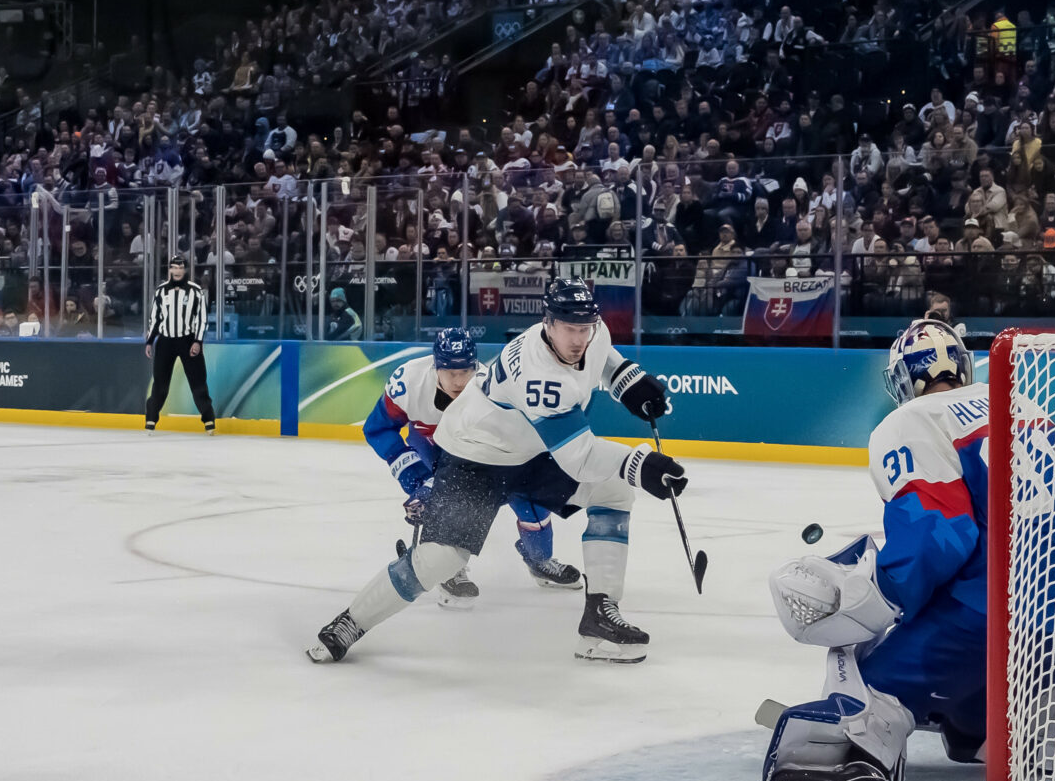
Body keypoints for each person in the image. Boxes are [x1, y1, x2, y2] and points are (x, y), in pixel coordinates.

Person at [754, 317, 1055, 781]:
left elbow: (937, 534)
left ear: (903, 379)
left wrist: (882, 593)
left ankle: (844, 759)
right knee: (972, 714)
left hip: (991, 614)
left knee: (873, 683)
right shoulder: (1021, 406)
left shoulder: (911, 421)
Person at [308, 280, 681, 665]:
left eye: (584, 328)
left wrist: (628, 381)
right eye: (569, 328)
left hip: (529, 450)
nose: (578, 339)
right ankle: (351, 622)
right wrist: (641, 465)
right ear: (548, 323)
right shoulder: (540, 377)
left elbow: (602, 356)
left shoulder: (591, 333)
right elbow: (579, 457)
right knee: (442, 559)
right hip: (474, 458)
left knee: (614, 491)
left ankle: (599, 617)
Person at [362, 328, 580, 607]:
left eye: (465, 371)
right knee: (453, 505)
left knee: (532, 504)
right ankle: (447, 569)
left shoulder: (492, 390)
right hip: (429, 442)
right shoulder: (408, 383)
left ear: (475, 366)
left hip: (477, 450)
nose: (458, 380)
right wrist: (417, 478)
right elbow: (378, 428)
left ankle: (539, 559)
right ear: (435, 366)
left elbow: (505, 448)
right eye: (450, 372)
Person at [144, 256, 215, 433]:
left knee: (198, 382)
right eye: (174, 267)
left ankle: (208, 419)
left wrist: (197, 341)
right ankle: (151, 419)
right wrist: (150, 341)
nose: (177, 271)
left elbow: (202, 318)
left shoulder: (195, 291)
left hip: (188, 340)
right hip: (165, 341)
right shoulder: (160, 291)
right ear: (169, 269)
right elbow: (155, 318)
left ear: (185, 270)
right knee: (160, 383)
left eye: (180, 267)